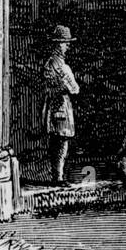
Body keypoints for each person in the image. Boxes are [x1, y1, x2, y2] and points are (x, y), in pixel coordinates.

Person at [41, 25, 79, 186]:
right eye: (65, 43)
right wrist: (65, 84)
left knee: (60, 142)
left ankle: (58, 176)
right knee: (60, 142)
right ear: (57, 44)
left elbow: (75, 89)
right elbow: (73, 88)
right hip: (58, 107)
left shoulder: (59, 65)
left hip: (61, 105)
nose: (67, 46)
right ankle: (58, 177)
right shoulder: (56, 66)